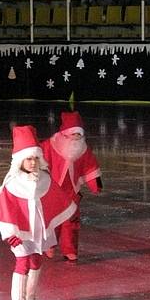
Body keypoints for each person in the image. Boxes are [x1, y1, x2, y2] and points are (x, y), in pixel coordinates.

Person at [0, 126, 75, 300]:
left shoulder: (45, 180)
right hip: (19, 232)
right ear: (20, 161)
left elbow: (55, 202)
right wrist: (10, 233)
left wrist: (51, 228)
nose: (32, 162)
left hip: (38, 231)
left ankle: (30, 298)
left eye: (35, 158)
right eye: (28, 159)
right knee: (22, 263)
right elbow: (4, 209)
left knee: (36, 262)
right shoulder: (12, 185)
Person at [41, 112, 102, 262]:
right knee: (52, 219)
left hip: (71, 191)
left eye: (79, 134)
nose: (77, 138)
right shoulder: (51, 144)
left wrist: (96, 185)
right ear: (66, 134)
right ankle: (49, 245)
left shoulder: (83, 149)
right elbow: (38, 156)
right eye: (74, 134)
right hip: (53, 190)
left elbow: (90, 166)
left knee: (71, 222)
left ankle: (70, 250)